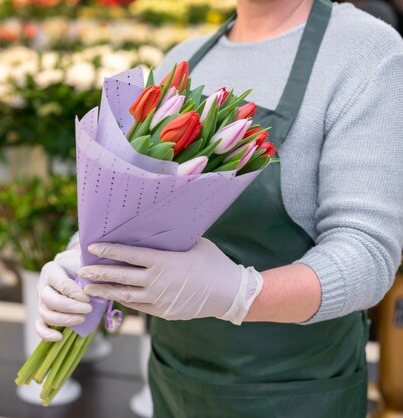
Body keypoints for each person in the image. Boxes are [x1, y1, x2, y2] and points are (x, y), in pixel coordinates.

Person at [35, 0, 403, 416]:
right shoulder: (184, 59)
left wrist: (241, 295)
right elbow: (132, 208)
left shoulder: (365, 51)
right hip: (176, 381)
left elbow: (368, 256)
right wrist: (80, 257)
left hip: (295, 392)